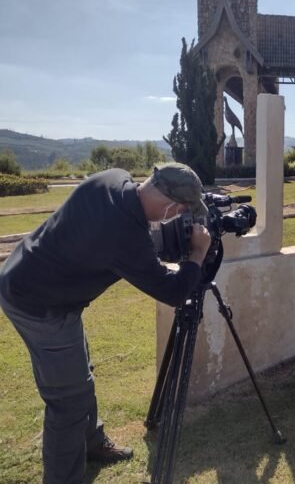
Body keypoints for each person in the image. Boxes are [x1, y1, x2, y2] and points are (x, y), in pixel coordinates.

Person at [0, 162, 211, 484]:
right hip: (40, 304)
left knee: (81, 373)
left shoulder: (112, 178)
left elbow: (124, 242)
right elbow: (173, 292)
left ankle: (92, 442)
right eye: (180, 209)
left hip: (29, 276)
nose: (178, 215)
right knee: (68, 400)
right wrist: (197, 253)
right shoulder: (123, 233)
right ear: (170, 205)